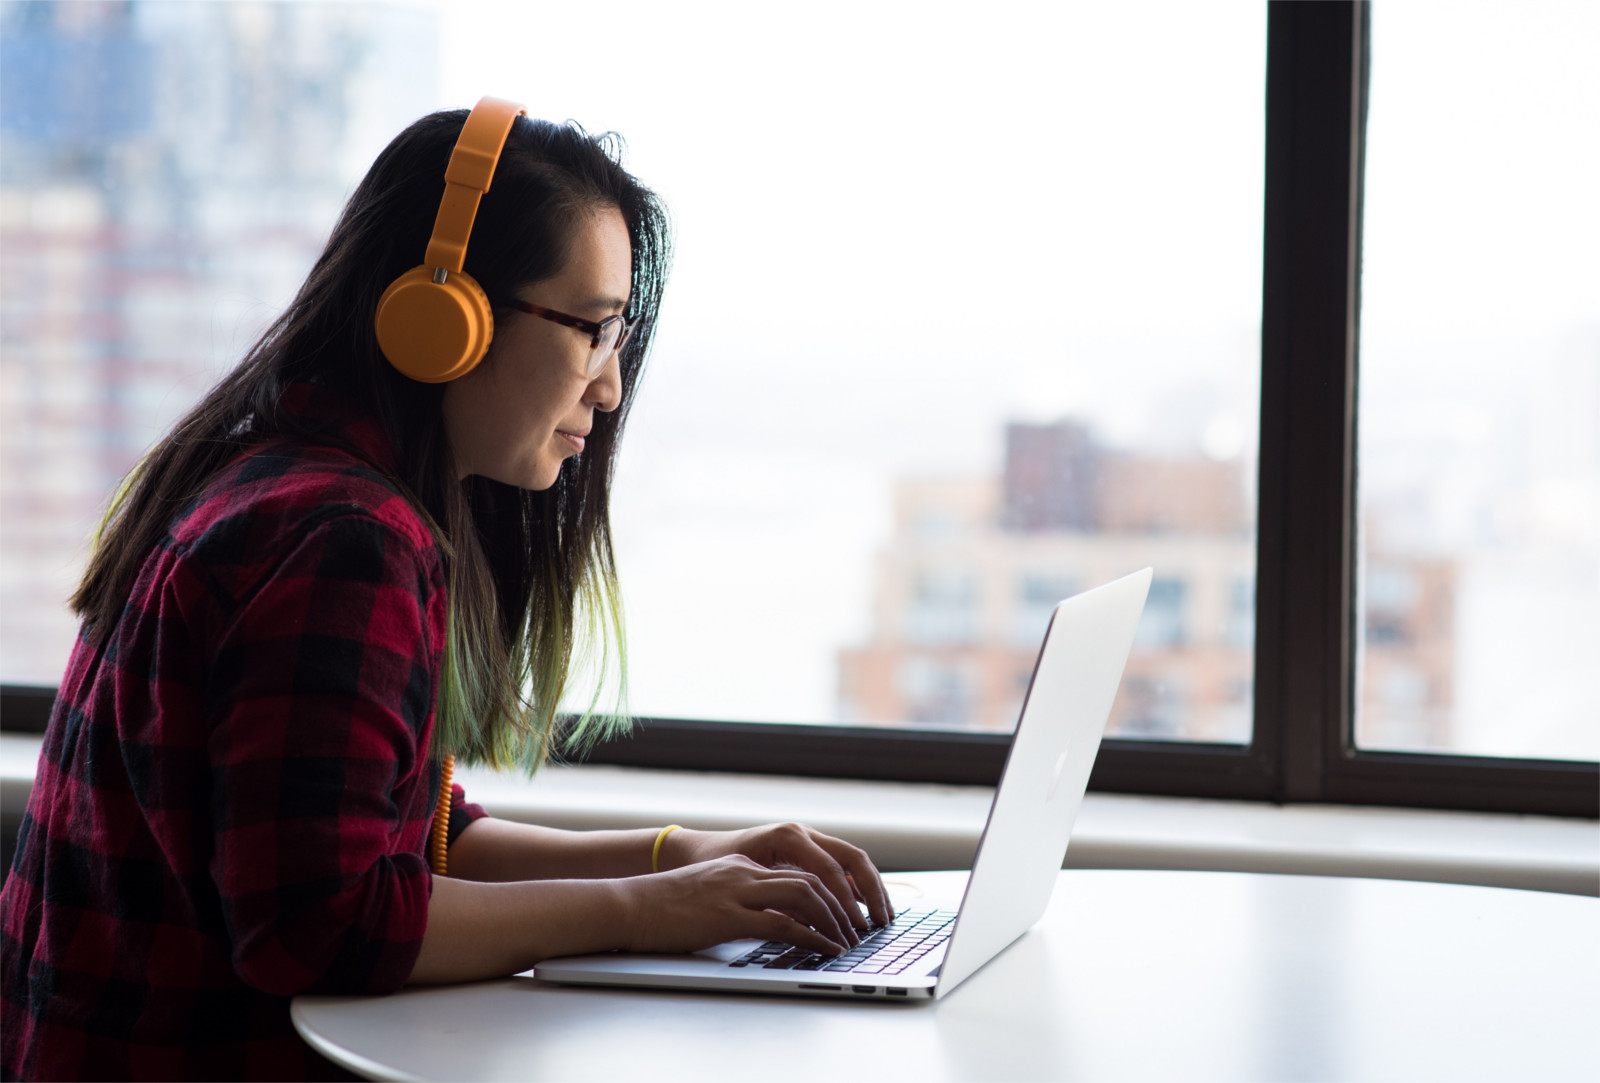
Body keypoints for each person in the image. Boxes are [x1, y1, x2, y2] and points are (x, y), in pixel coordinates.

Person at [0, 99, 891, 1082]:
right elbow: (321, 925)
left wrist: (675, 857)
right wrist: (650, 914)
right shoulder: (342, 539)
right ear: (442, 315)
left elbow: (410, 832)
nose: (608, 387)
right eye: (591, 330)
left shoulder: (278, 477)